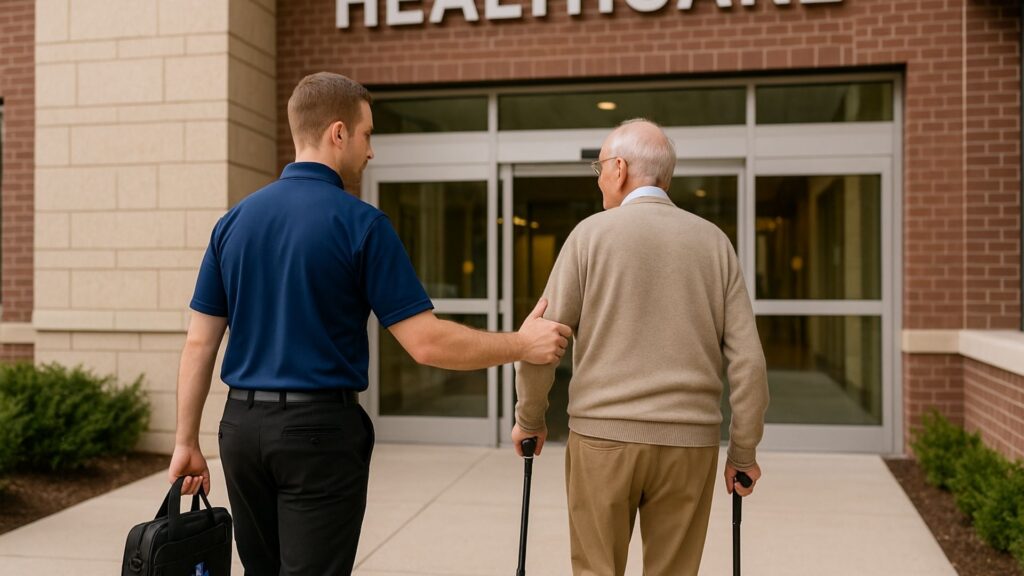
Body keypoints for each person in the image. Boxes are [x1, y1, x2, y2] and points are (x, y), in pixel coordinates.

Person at [168, 72, 572, 575]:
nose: (371, 150)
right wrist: (520, 343)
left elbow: (199, 343)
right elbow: (425, 343)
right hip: (319, 434)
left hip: (242, 432)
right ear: (338, 133)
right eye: (367, 134)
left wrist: (186, 441)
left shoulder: (233, 223)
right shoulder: (362, 224)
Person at [511, 119, 769, 576]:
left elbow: (542, 341)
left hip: (602, 441)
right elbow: (748, 363)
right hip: (689, 445)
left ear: (619, 169)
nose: (598, 178)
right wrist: (743, 454)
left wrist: (529, 418)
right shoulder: (715, 244)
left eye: (599, 167)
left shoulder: (589, 236)